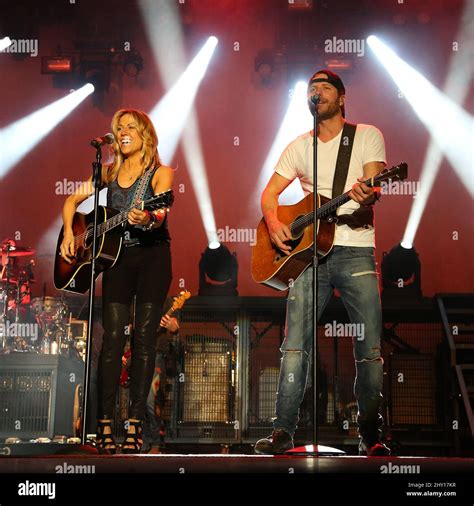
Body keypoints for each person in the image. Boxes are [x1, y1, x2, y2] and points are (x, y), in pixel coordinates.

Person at [254, 69, 390, 456]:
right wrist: (275, 222)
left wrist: (365, 195)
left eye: (325, 87)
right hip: (310, 255)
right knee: (294, 346)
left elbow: (372, 185)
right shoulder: (299, 146)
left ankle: (370, 434)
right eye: (311, 88)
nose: (317, 92)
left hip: (355, 249)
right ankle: (283, 432)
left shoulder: (366, 136)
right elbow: (269, 194)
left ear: (342, 97)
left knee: (369, 348)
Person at [60, 108, 173, 453]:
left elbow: (161, 212)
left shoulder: (160, 173)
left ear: (145, 135)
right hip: (117, 261)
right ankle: (104, 423)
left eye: (130, 127)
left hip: (152, 259)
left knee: (144, 342)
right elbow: (71, 201)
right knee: (111, 343)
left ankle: (136, 423)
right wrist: (69, 232)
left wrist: (149, 217)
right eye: (118, 127)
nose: (122, 132)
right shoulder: (106, 173)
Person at [144, 306, 180, 454]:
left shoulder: (167, 302)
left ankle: (155, 443)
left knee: (150, 399)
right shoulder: (135, 297)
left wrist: (171, 324)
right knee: (137, 401)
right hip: (137, 353)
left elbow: (175, 327)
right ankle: (141, 441)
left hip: (156, 355)